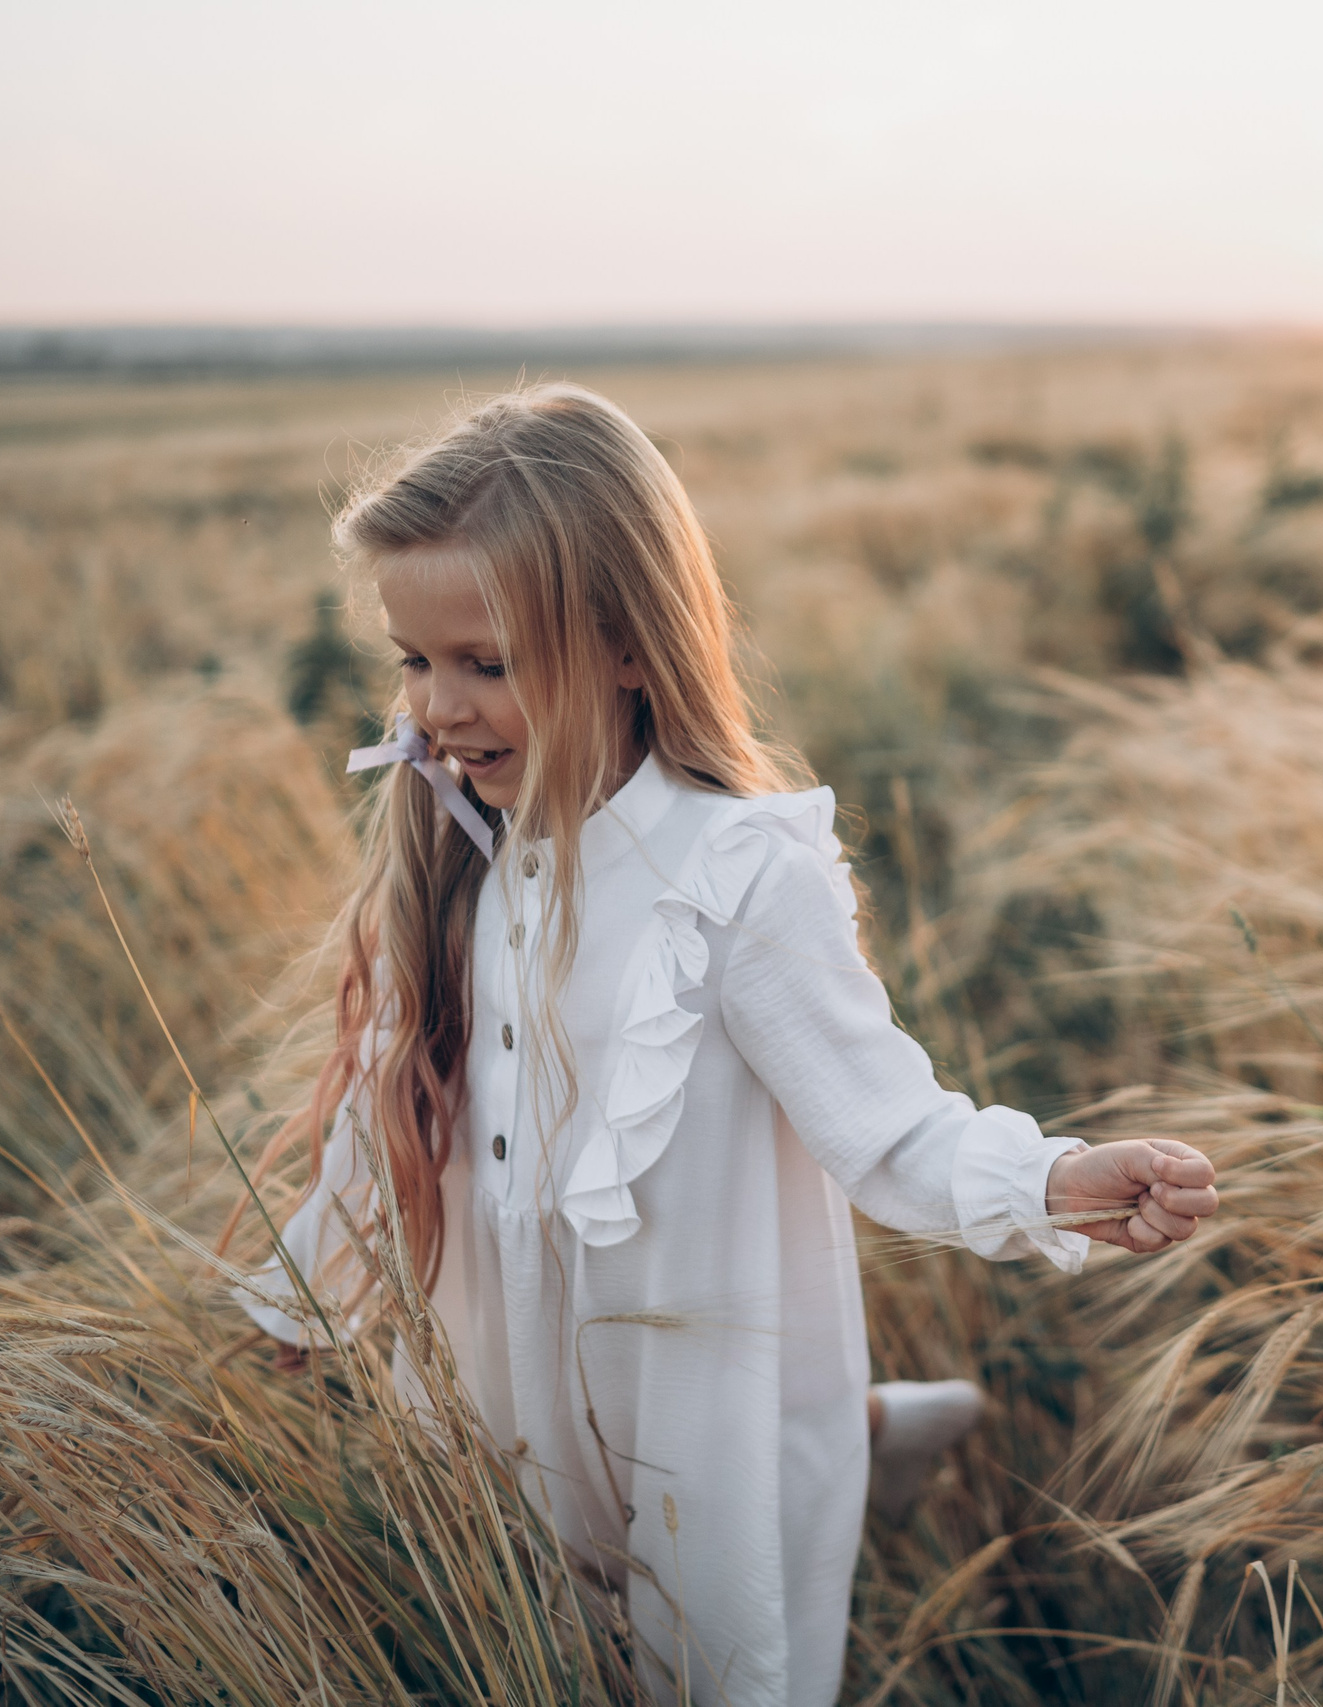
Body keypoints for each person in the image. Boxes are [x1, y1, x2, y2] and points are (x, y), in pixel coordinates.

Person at [231, 382, 1219, 1707]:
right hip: (499, 1371)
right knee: (546, 1641)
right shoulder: (461, 852)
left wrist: (1050, 1178)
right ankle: (874, 1431)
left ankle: (839, 1437)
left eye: (491, 664)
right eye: (416, 661)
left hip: (691, 1391)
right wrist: (313, 1280)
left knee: (707, 1665)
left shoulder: (735, 874)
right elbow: (403, 1102)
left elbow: (884, 1123)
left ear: (632, 646)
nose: (439, 709)